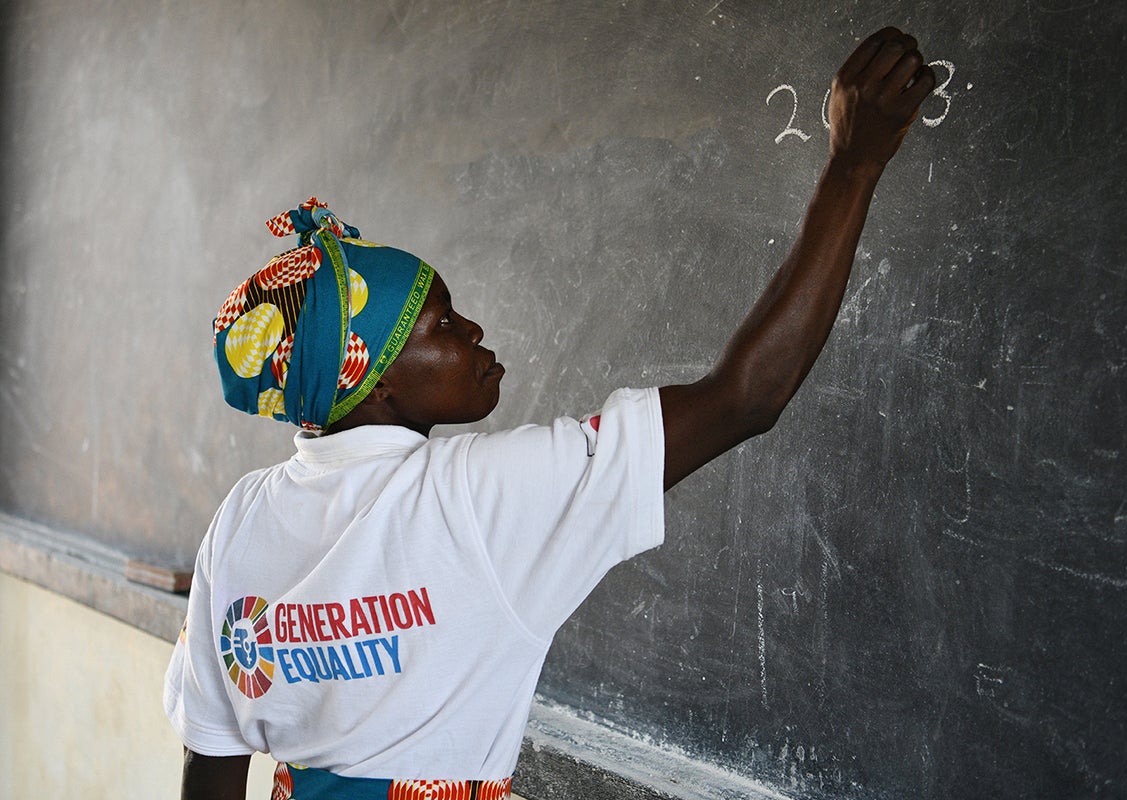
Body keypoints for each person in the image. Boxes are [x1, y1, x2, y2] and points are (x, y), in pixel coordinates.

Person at [165, 26, 935, 800]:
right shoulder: (476, 497)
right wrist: (854, 163)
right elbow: (744, 396)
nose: (471, 332)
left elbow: (212, 768)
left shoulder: (240, 522)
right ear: (372, 382)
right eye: (438, 324)